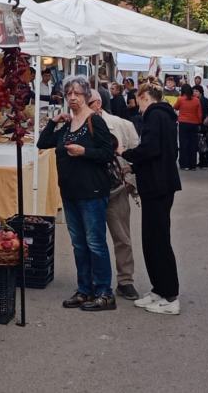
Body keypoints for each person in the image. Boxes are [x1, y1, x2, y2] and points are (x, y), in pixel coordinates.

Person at [37, 75, 115, 312]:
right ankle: (84, 289)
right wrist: (53, 122)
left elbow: (107, 153)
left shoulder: (95, 121)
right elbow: (43, 143)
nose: (72, 97)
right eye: (68, 93)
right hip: (70, 193)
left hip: (92, 192)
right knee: (79, 244)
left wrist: (84, 151)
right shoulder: (66, 125)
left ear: (87, 96)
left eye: (77, 93)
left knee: (95, 243)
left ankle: (104, 292)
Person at [120, 82, 182, 315]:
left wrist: (127, 154)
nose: (137, 105)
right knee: (152, 239)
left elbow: (150, 149)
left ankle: (170, 295)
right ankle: (159, 289)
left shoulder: (155, 115)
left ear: (146, 97)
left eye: (139, 99)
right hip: (158, 184)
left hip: (158, 186)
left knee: (158, 240)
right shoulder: (164, 115)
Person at [88, 88, 140, 300]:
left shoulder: (122, 125)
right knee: (92, 239)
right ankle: (95, 281)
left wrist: (129, 178)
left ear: (97, 104)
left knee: (122, 237)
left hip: (115, 189)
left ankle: (125, 280)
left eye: (85, 101)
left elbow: (137, 154)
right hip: (89, 189)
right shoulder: (76, 125)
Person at [173, 84, 202, 171]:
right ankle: (192, 165)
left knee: (183, 144)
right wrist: (199, 123)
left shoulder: (180, 99)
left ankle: (184, 164)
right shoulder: (197, 100)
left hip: (183, 123)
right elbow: (199, 114)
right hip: (194, 124)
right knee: (193, 144)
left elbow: (175, 107)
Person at [194, 85, 208, 170]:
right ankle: (202, 161)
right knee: (201, 143)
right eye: (194, 91)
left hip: (205, 126)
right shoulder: (197, 100)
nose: (195, 93)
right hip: (200, 125)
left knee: (206, 143)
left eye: (196, 91)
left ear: (201, 92)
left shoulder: (205, 101)